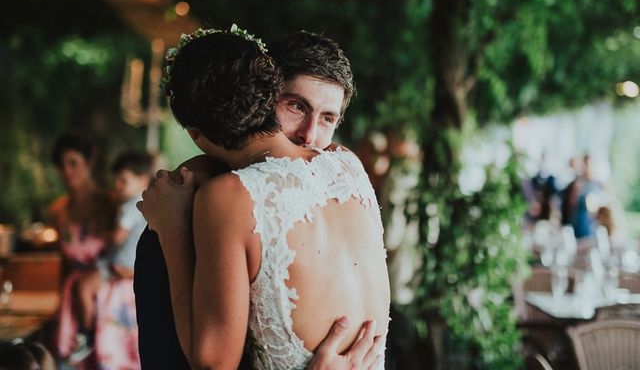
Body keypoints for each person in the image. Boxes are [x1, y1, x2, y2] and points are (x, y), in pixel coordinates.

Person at [138, 27, 389, 369]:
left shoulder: (223, 199)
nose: (310, 135)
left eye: (328, 118)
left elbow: (212, 362)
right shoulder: (348, 167)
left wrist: (173, 231)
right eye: (296, 106)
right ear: (267, 95)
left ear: (196, 134)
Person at [73, 151, 151, 368]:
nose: (117, 185)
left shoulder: (129, 206)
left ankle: (84, 335)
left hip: (118, 264)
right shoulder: (147, 204)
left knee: (83, 287)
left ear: (142, 179)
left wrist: (101, 233)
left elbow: (118, 236)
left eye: (123, 180)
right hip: (132, 266)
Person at [48, 132, 117, 365]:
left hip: (109, 293)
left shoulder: (112, 203)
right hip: (74, 297)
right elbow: (64, 263)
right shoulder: (59, 210)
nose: (66, 171)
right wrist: (60, 306)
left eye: (73, 163)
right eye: (61, 165)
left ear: (90, 162)